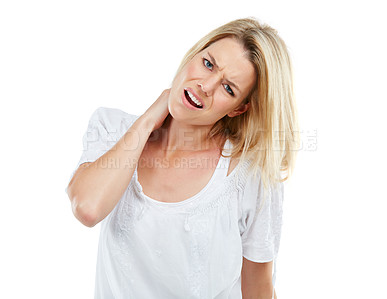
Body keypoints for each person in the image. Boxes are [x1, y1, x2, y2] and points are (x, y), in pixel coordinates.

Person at [66, 17, 299, 299]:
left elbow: (258, 290)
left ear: (239, 109)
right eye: (208, 63)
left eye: (228, 88)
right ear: (194, 53)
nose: (206, 85)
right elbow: (88, 208)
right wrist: (148, 121)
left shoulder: (250, 175)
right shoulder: (112, 128)